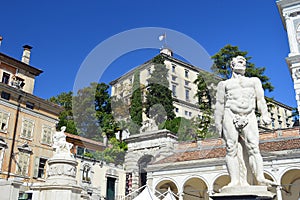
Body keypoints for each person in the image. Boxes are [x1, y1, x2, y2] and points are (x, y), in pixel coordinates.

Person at [214, 56, 275, 187]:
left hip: (249, 114)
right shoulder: (224, 84)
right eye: (239, 60)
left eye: (244, 61)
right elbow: (219, 105)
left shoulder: (254, 81)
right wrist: (218, 124)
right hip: (230, 114)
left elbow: (261, 99)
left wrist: (264, 114)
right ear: (232, 64)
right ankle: (234, 180)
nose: (242, 62)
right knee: (231, 148)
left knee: (254, 147)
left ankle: (260, 176)